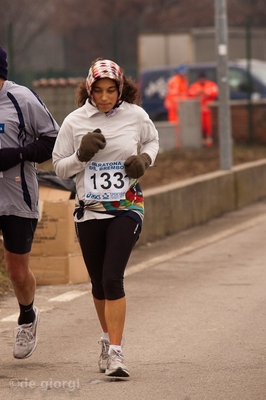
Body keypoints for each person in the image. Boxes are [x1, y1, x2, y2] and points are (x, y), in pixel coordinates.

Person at [52, 58, 159, 378]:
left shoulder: (135, 115)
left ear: (121, 89)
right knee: (98, 283)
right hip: (90, 210)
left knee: (113, 277)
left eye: (111, 90)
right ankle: (105, 339)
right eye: (97, 90)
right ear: (88, 89)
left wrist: (144, 160)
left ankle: (116, 352)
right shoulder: (74, 122)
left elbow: (153, 140)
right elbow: (59, 167)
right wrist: (80, 156)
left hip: (127, 206)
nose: (104, 97)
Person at [0, 45, 59, 359]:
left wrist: (17, 154)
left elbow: (53, 139)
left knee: (17, 271)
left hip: (17, 196)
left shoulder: (21, 99)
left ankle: (26, 316)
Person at [188, 71, 218, 147]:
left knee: (208, 126)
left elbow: (214, 93)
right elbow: (190, 95)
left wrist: (204, 93)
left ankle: (209, 141)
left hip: (208, 111)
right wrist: (198, 93)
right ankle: (200, 142)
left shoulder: (210, 84)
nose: (201, 80)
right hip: (198, 111)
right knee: (199, 127)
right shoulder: (194, 86)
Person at [163, 65, 189, 146]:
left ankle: (178, 142)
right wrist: (181, 105)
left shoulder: (182, 80)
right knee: (175, 124)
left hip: (179, 106)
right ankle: (176, 143)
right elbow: (174, 96)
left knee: (179, 125)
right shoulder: (176, 81)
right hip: (174, 106)